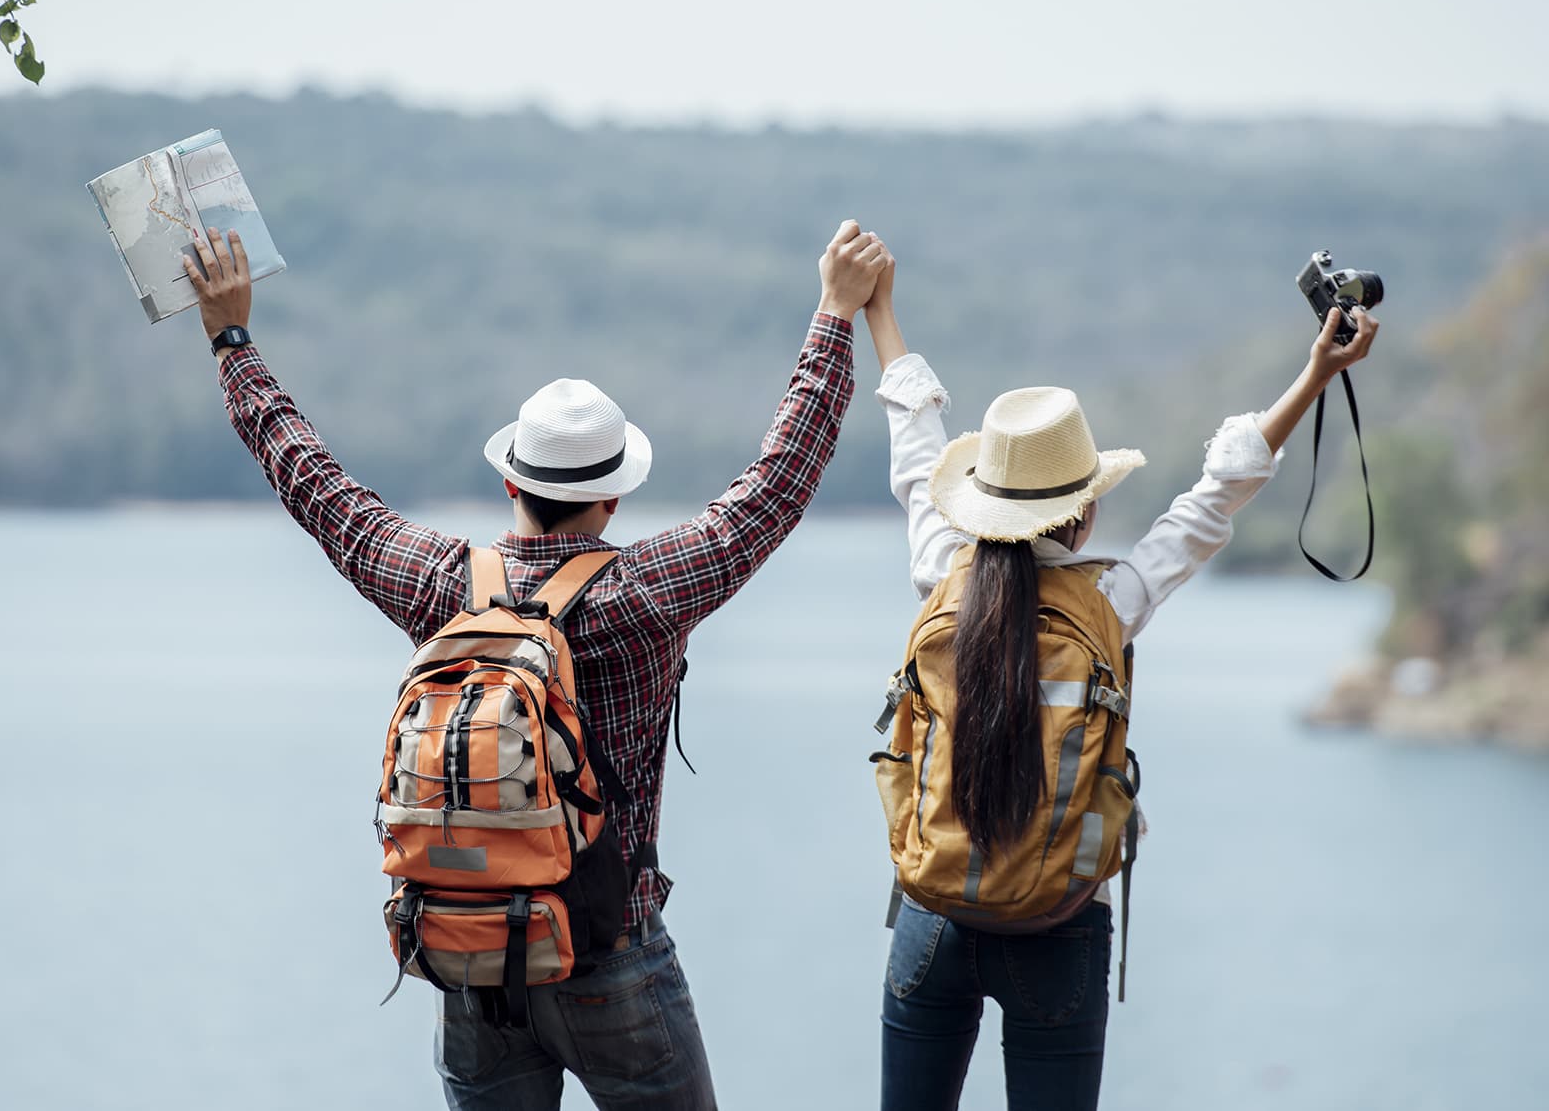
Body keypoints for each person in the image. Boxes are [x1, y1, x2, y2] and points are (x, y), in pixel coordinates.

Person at [181, 220, 890, 1110]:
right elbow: (777, 482)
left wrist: (231, 338)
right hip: (611, 954)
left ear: (511, 484)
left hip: (475, 958)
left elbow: (315, 484)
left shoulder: (444, 587)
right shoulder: (645, 593)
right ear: (613, 493)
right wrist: (834, 313)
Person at [860, 253, 1379, 1111]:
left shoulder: (941, 574)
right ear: (1087, 509)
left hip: (933, 911)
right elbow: (1214, 501)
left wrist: (881, 313)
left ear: (982, 501)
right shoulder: (1110, 600)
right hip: (1059, 925)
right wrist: (1319, 372)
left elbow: (915, 449)